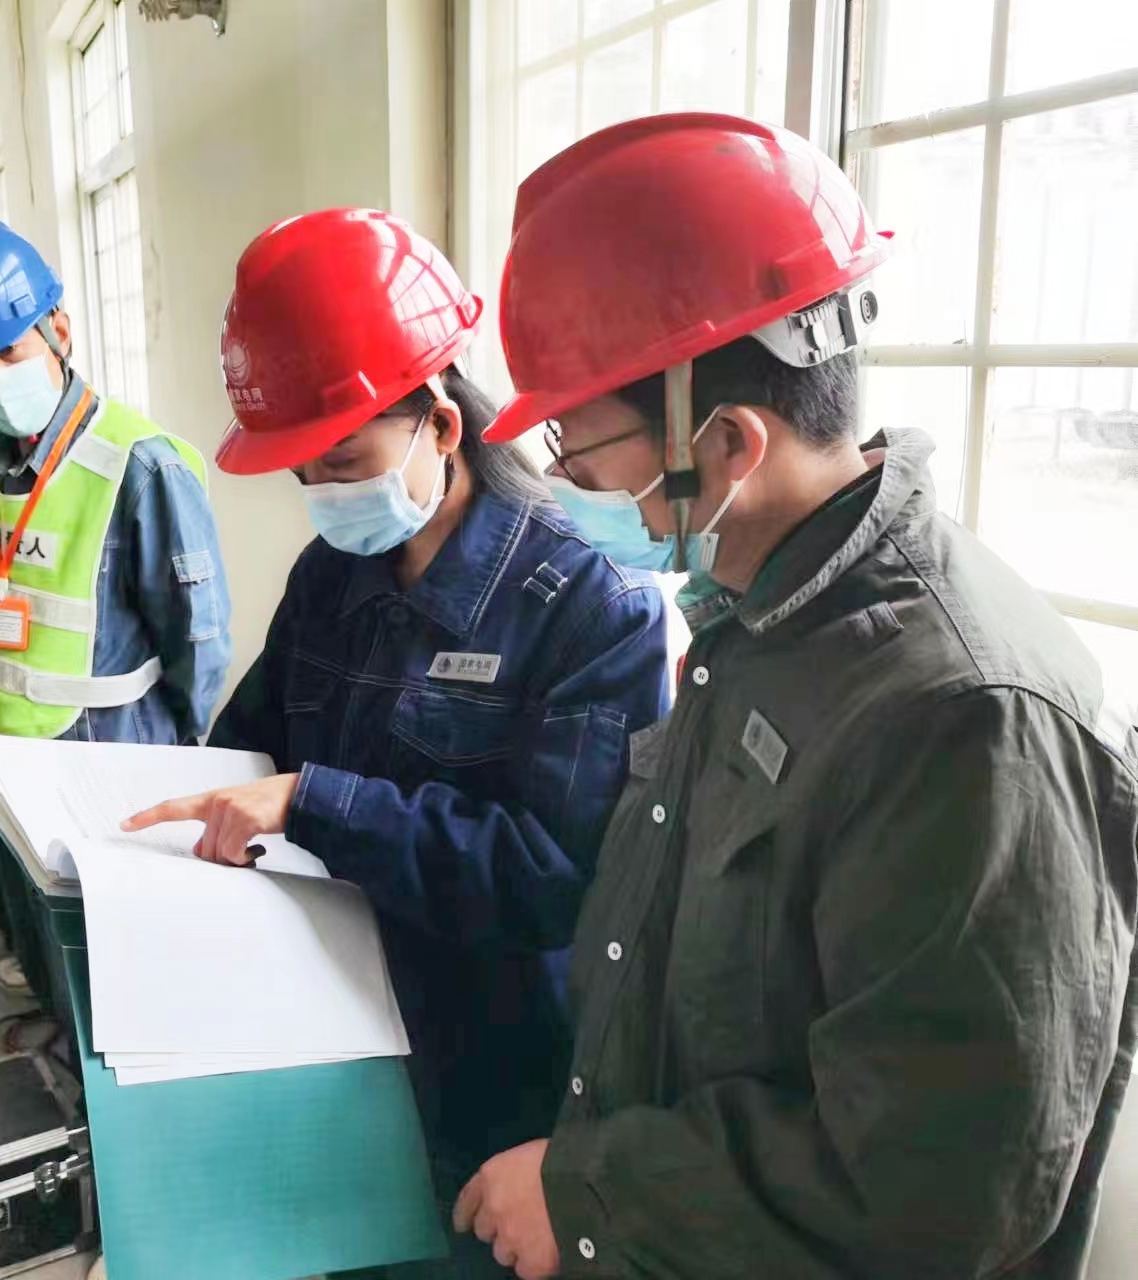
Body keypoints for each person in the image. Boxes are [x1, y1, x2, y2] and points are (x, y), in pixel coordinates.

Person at [454, 113, 1138, 1280]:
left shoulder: (961, 718)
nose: (561, 482)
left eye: (578, 447)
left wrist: (587, 1194)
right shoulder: (754, 610)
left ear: (724, 441)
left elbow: (930, 1185)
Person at [123, 208, 671, 1277]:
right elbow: (247, 753)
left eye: (342, 459)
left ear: (442, 425)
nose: (324, 495)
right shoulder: (330, 577)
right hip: (321, 1037)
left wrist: (315, 802)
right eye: (302, 473)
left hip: (485, 1090)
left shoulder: (587, 608)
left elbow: (550, 878)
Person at [0, 217, 233, 993]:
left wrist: (174, 747)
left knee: (112, 949)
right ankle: (50, 995)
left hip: (107, 741)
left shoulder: (141, 464)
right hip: (8, 736)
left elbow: (199, 638)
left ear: (58, 329)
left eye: (8, 352)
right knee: (36, 911)